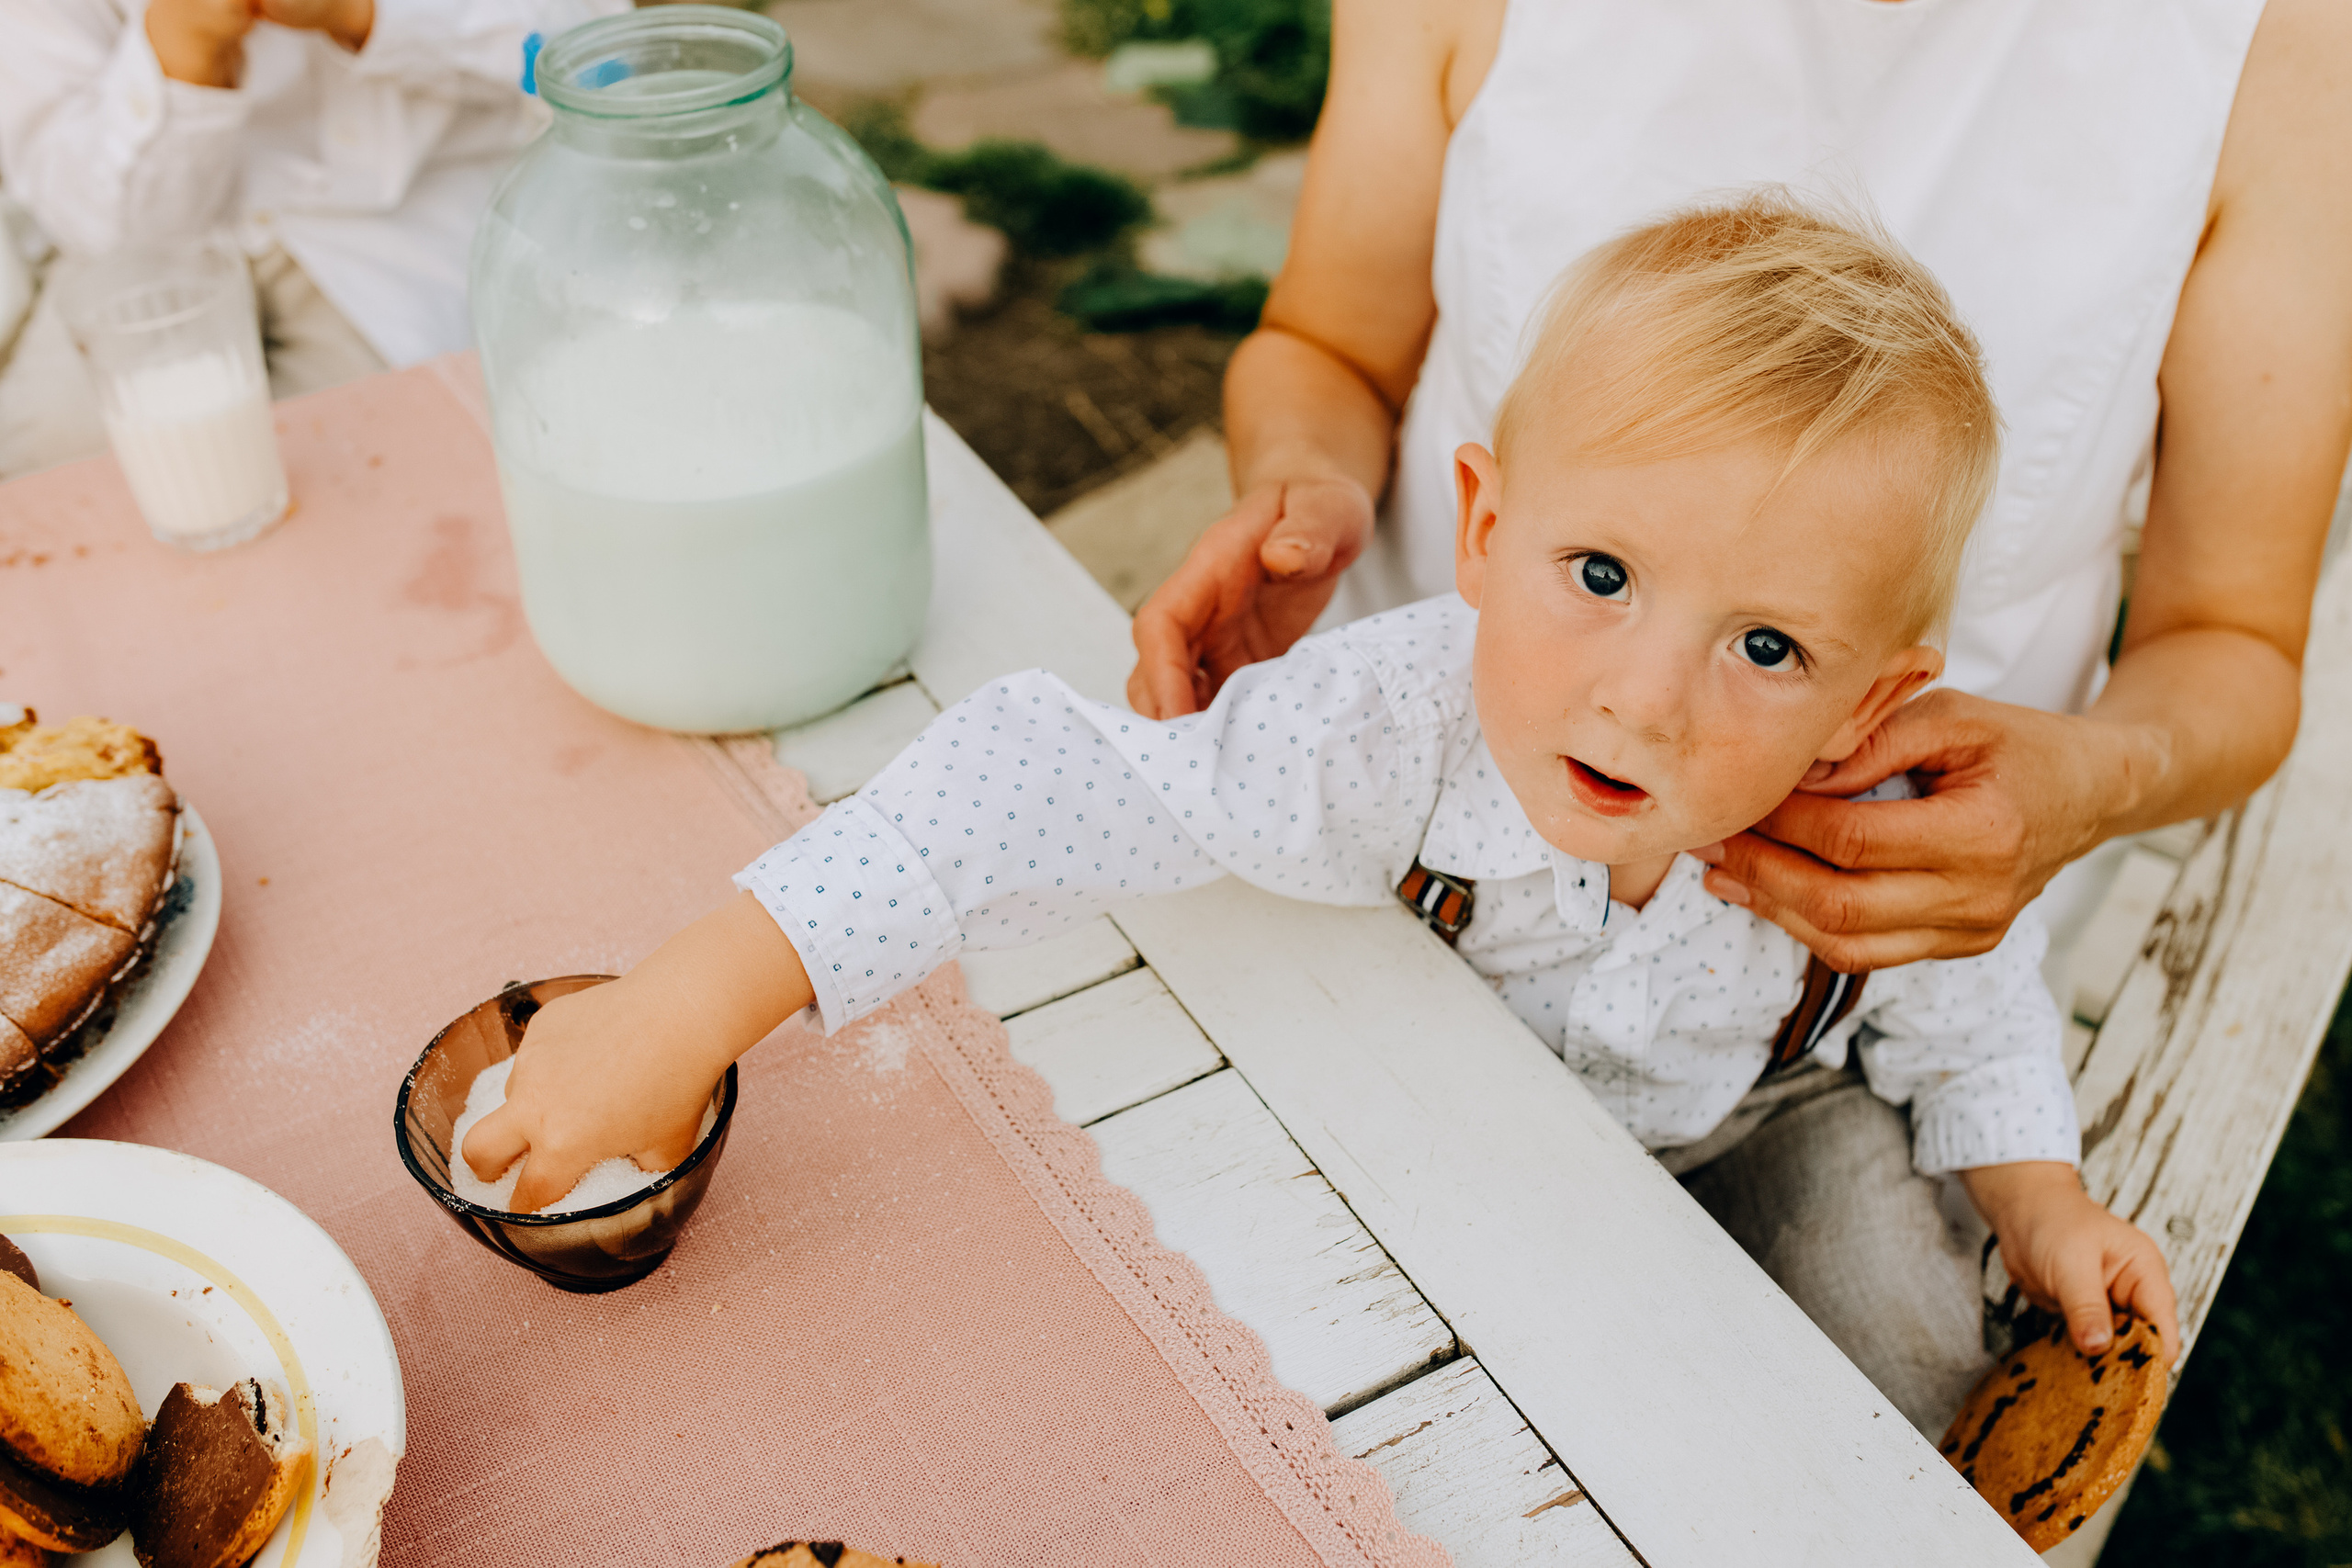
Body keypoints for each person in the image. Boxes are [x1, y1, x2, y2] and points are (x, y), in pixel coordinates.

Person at [459, 196, 2179, 1438]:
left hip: (1761, 1112)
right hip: (1442, 1125)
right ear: (1486, 527)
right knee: (1350, 1379)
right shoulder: (1391, 724)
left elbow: (1967, 996)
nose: (1648, 698)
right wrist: (696, 996)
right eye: (1599, 574)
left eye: (1768, 646)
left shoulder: (1866, 808)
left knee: (1896, 1347)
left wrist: (2038, 1194)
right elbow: (1042, 787)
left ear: (1875, 694)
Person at [1126, 0, 2352, 993]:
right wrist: (1307, 485)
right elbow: (1331, 343)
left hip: (1850, 976)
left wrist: (2091, 783)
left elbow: (2230, 636)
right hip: (1386, 809)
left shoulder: (2286, 48)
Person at [0, 0, 624, 478]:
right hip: (143, 235)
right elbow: (93, 211)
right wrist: (183, 52)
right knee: (59, 467)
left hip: (400, 224)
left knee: (372, 472)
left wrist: (361, 15)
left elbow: (597, 53)